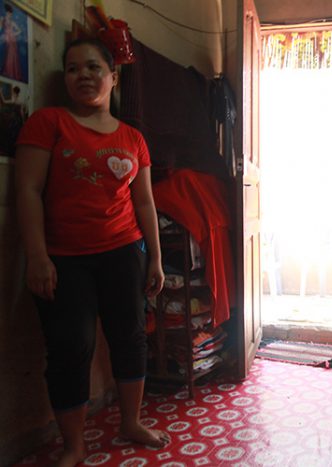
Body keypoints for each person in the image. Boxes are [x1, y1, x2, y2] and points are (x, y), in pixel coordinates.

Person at [15, 38, 169, 467]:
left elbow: (144, 204)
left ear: (112, 77)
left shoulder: (133, 139)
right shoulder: (48, 123)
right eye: (72, 69)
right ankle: (74, 446)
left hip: (124, 251)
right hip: (65, 257)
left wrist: (154, 257)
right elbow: (27, 190)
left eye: (93, 67)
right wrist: (38, 256)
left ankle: (131, 422)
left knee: (130, 338)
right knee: (70, 347)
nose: (82, 75)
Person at [1, 3, 22, 81]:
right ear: (7, 12)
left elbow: (20, 30)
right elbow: (0, 28)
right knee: (7, 55)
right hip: (6, 39)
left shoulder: (12, 22)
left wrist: (13, 34)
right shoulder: (2, 19)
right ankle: (8, 72)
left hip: (12, 40)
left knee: (12, 55)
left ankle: (11, 72)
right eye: (9, 13)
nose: (10, 15)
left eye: (11, 13)